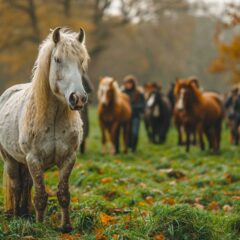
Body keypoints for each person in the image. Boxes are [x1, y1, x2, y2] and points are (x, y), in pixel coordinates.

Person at [122, 75, 145, 152]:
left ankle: (133, 149)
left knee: (135, 133)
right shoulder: (122, 93)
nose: (128, 85)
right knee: (126, 133)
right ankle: (127, 147)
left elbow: (143, 105)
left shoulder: (138, 93)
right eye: (127, 83)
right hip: (125, 118)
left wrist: (132, 108)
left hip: (135, 116)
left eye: (130, 83)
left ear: (133, 84)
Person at [79, 73, 94, 153]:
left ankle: (82, 149)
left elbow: (90, 90)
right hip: (69, 106)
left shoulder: (83, 76)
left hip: (82, 107)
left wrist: (85, 99)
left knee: (83, 125)